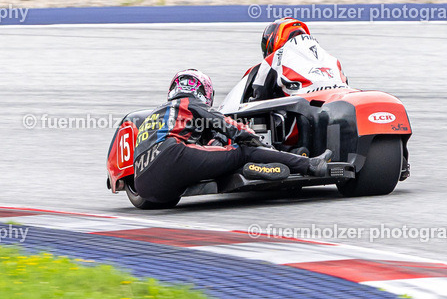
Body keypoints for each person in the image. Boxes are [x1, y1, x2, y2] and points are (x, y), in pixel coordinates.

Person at [133, 69, 331, 204]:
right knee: (244, 151)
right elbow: (226, 124)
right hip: (171, 156)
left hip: (145, 185)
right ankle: (311, 165)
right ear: (203, 91)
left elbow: (204, 153)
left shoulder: (156, 114)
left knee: (219, 156)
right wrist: (252, 139)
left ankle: (248, 170)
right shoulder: (189, 103)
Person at [245, 18, 350, 102]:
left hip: (306, 106)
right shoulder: (331, 58)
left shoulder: (274, 59)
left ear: (274, 39)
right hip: (342, 99)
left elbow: (259, 97)